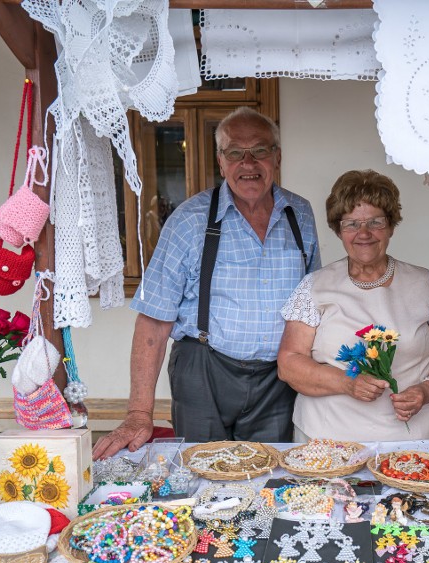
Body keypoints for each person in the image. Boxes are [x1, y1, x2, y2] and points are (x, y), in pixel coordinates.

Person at [93, 107, 320, 459]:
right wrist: (139, 414)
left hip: (277, 378)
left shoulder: (300, 214)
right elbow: (154, 318)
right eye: (235, 152)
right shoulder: (190, 219)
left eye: (260, 150)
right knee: (202, 473)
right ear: (220, 161)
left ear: (277, 156)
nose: (248, 163)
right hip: (203, 369)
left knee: (266, 472)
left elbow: (314, 302)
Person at [277, 169, 429, 442]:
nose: (363, 233)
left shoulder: (425, 283)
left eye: (374, 222)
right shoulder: (314, 286)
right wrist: (347, 383)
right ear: (338, 230)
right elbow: (289, 363)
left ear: (390, 226)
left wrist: (427, 390)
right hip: (327, 441)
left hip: (412, 438)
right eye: (351, 224)